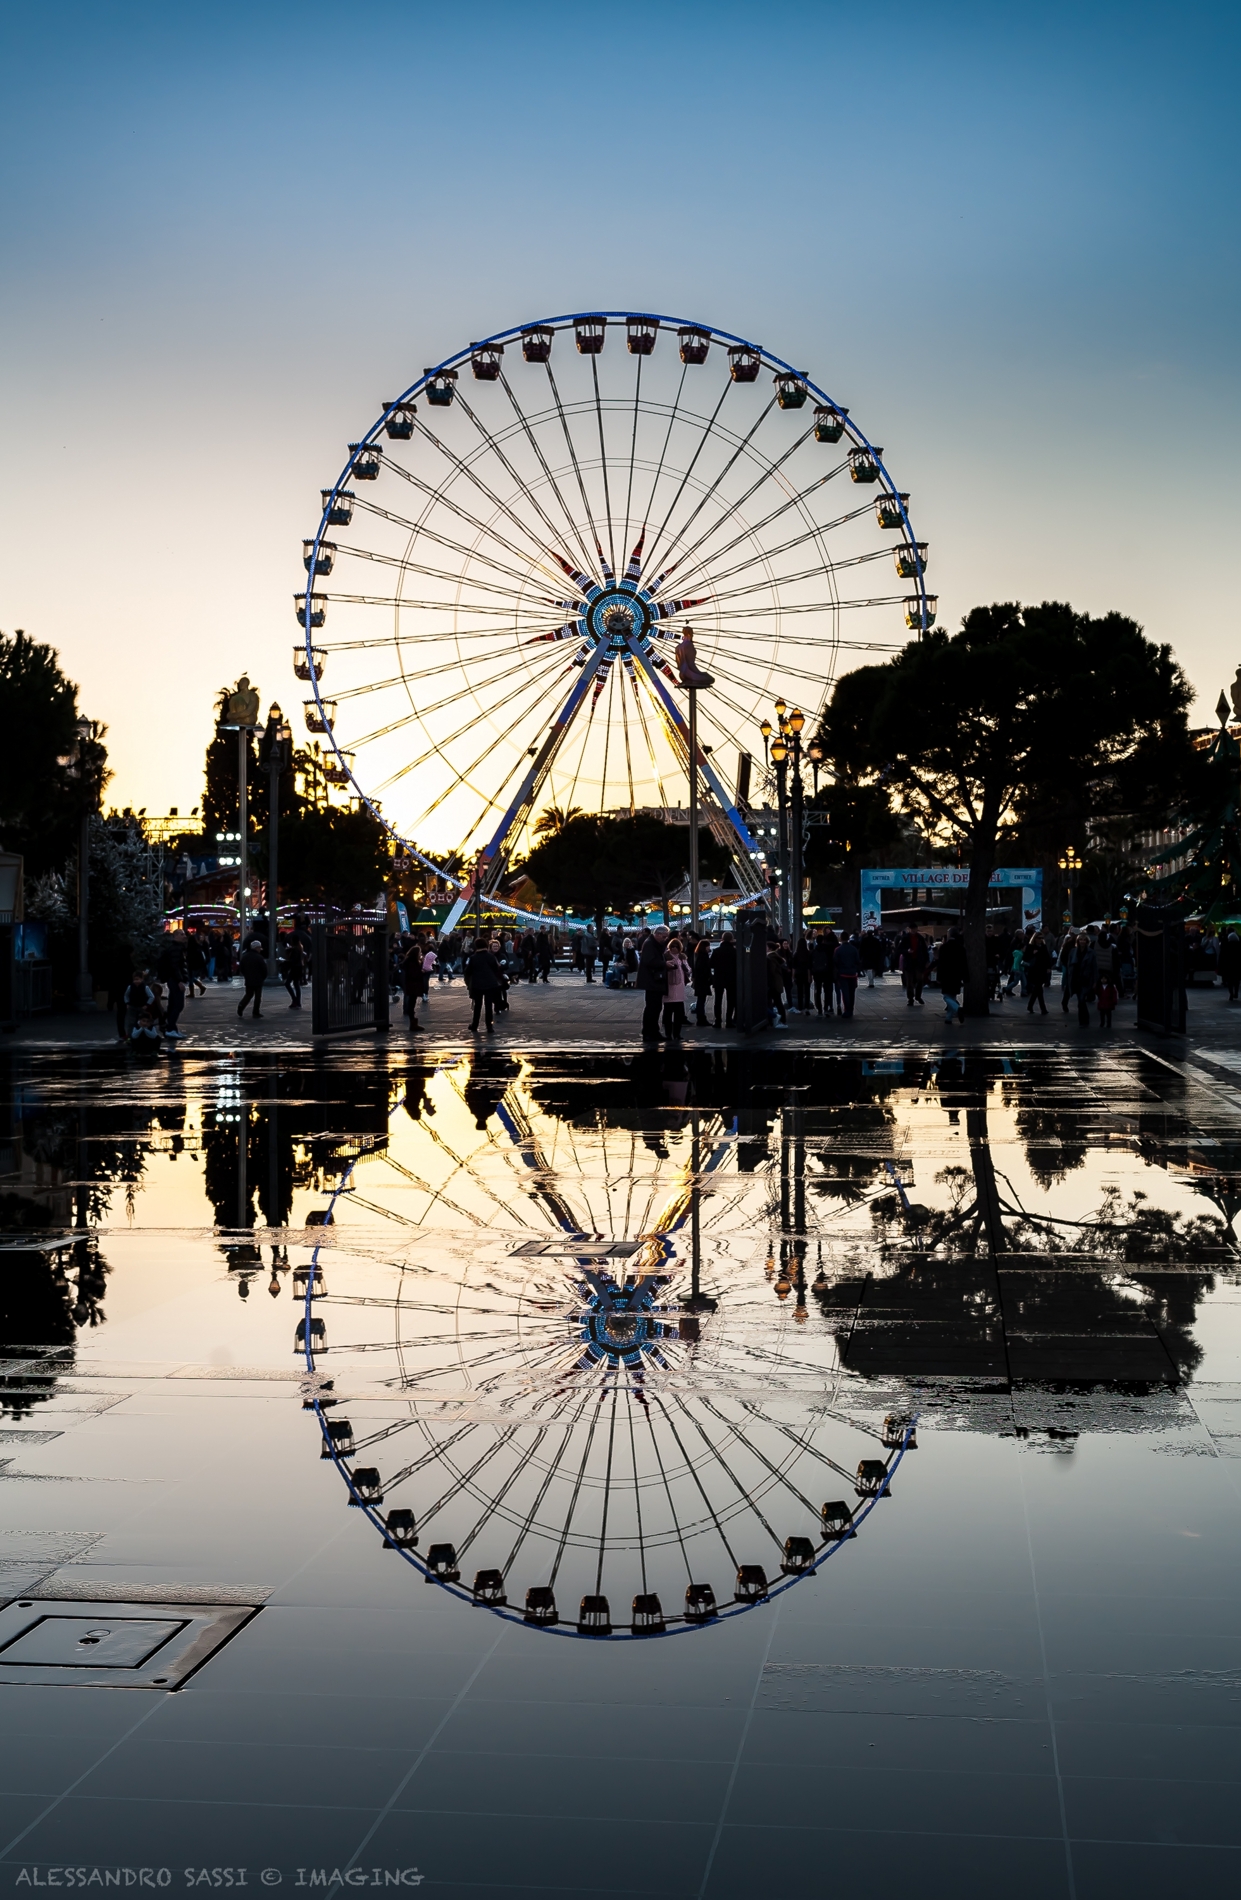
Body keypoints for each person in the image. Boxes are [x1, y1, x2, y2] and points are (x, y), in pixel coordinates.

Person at [465, 934, 504, 1032]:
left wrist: (468, 983)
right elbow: (496, 969)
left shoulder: (473, 958)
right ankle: (489, 1026)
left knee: (477, 1006)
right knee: (489, 1006)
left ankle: (475, 1025)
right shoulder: (491, 956)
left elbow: (468, 971)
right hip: (490, 984)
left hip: (477, 984)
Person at [637, 925, 670, 1041]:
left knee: (654, 1007)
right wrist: (664, 964)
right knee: (653, 1007)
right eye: (664, 936)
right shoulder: (650, 944)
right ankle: (650, 1031)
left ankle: (651, 1030)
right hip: (652, 980)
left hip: (653, 980)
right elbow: (649, 961)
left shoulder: (653, 943)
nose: (665, 939)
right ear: (658, 934)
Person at [662, 936, 691, 1043]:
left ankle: (677, 1034)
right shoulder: (665, 956)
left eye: (676, 946)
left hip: (679, 988)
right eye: (672, 946)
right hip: (669, 988)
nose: (674, 948)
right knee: (668, 1013)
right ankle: (668, 1034)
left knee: (679, 1014)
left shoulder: (682, 957)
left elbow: (688, 969)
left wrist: (686, 969)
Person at [1067, 933, 1098, 1027]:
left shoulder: (1091, 952)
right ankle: (1084, 1019)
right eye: (1080, 940)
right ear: (1078, 941)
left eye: (1084, 940)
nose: (1082, 942)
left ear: (1087, 941)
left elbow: (1094, 967)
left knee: (1081, 999)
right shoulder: (1073, 952)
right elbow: (1069, 965)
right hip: (1075, 979)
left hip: (1086, 979)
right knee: (1080, 1000)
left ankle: (1083, 1020)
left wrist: (1095, 981)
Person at [936, 927, 966, 1024]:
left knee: (946, 996)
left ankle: (957, 1009)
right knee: (952, 995)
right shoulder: (961, 947)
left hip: (946, 974)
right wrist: (965, 976)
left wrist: (939, 976)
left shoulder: (944, 947)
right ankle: (948, 1017)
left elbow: (940, 963)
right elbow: (964, 963)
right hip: (957, 975)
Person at [710, 932, 736, 1028]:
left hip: (719, 977)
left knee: (718, 1000)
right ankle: (729, 1021)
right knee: (731, 1000)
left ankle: (718, 1021)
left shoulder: (716, 951)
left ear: (722, 939)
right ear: (732, 939)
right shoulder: (734, 952)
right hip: (731, 978)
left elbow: (711, 964)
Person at [237, 938, 267, 1018]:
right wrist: (263, 977)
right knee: (258, 996)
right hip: (258, 979)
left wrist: (246, 975)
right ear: (257, 948)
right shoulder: (259, 957)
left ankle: (241, 1005)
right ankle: (256, 1012)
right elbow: (264, 969)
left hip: (249, 979)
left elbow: (241, 968)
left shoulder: (245, 956)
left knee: (248, 994)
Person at [833, 934, 861, 1018]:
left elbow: (835, 962)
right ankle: (851, 1009)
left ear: (841, 939)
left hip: (842, 973)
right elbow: (857, 961)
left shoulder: (838, 949)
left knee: (845, 993)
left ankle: (847, 1010)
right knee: (851, 992)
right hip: (852, 973)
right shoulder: (854, 949)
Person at [1024, 933, 1052, 1016]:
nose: (1040, 939)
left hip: (1042, 970)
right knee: (1039, 989)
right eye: (1038, 938)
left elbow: (1047, 957)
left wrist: (1048, 967)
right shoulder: (1030, 947)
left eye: (1041, 938)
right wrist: (1033, 953)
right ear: (1035, 938)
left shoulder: (1043, 946)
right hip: (1034, 970)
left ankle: (1030, 1006)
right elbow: (1025, 958)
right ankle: (1043, 1009)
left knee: (1037, 990)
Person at [899, 928, 928, 1006]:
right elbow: (900, 949)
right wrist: (907, 951)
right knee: (909, 982)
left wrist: (926, 960)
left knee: (920, 980)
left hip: (918, 962)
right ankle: (910, 998)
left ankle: (918, 996)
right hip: (909, 962)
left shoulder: (920, 938)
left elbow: (924, 950)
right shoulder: (905, 938)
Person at [810, 932, 833, 1016]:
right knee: (827, 991)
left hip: (817, 973)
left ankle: (819, 1008)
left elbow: (811, 963)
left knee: (817, 991)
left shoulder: (814, 950)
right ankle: (826, 1008)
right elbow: (831, 961)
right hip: (826, 972)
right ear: (823, 940)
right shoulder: (828, 950)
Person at [691, 938, 713, 1025]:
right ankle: (701, 1019)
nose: (709, 948)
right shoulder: (704, 956)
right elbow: (703, 969)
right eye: (708, 946)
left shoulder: (699, 955)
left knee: (701, 999)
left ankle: (701, 1018)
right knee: (701, 1000)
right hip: (703, 982)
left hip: (700, 981)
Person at [792, 935, 811, 1013]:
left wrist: (793, 977)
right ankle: (807, 1007)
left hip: (798, 974)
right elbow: (809, 966)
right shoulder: (808, 953)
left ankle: (800, 1007)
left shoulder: (796, 954)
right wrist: (810, 976)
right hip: (806, 973)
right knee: (807, 991)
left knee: (799, 991)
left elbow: (793, 967)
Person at [1221, 930, 1241, 1003]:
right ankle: (1236, 992)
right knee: (1237, 980)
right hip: (1238, 965)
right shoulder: (1239, 946)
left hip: (1228, 966)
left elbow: (1222, 957)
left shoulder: (1226, 946)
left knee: (1230, 981)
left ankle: (1231, 994)